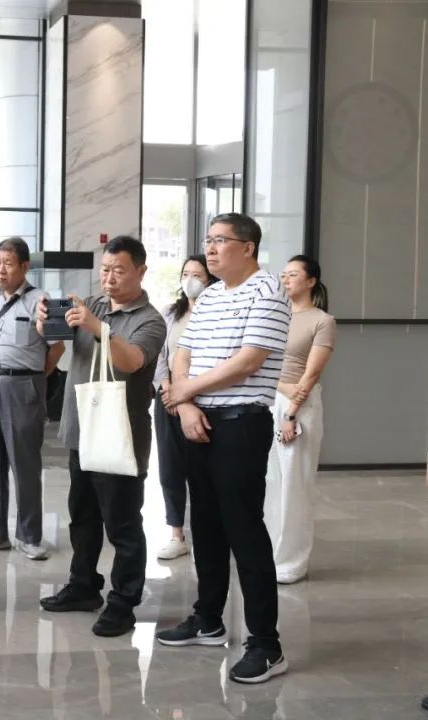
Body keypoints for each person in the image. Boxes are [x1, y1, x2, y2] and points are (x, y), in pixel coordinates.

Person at [157, 212, 292, 684]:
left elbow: (248, 361)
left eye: (220, 240)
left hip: (240, 424)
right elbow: (183, 352)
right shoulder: (212, 295)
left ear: (248, 247)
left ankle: (266, 644)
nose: (210, 249)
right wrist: (185, 404)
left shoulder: (268, 291)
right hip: (198, 420)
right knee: (207, 526)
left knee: (243, 530)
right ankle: (208, 619)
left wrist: (185, 391)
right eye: (208, 240)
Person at [35, 236, 166, 637]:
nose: (108, 278)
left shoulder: (150, 321)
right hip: (83, 431)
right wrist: (46, 321)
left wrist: (99, 328)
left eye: (118, 270)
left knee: (122, 525)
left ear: (141, 271)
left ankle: (123, 603)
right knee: (83, 516)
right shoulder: (92, 304)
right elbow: (54, 340)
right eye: (105, 270)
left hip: (121, 437)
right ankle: (83, 586)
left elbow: (131, 361)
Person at [0, 237, 64, 561]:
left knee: (25, 465)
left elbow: (57, 348)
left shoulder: (41, 300)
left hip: (24, 385)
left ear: (24, 266)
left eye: (8, 263)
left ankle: (29, 536)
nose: (1, 270)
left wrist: (35, 378)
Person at [264, 255, 335, 584]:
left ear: (310, 281)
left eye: (293, 275)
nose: (286, 280)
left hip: (299, 406)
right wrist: (281, 387)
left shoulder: (322, 321)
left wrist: (291, 413)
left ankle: (292, 561)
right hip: (270, 399)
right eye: (283, 275)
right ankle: (268, 553)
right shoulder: (275, 315)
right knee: (270, 482)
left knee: (296, 485)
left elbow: (311, 374)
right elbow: (258, 363)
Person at [154, 255, 217, 560]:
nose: (190, 280)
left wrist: (186, 396)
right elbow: (159, 354)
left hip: (203, 398)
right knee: (171, 467)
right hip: (167, 397)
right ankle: (176, 534)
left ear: (210, 280)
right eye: (186, 273)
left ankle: (209, 534)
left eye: (197, 275)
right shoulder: (170, 312)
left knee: (202, 470)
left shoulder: (216, 313)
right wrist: (167, 387)